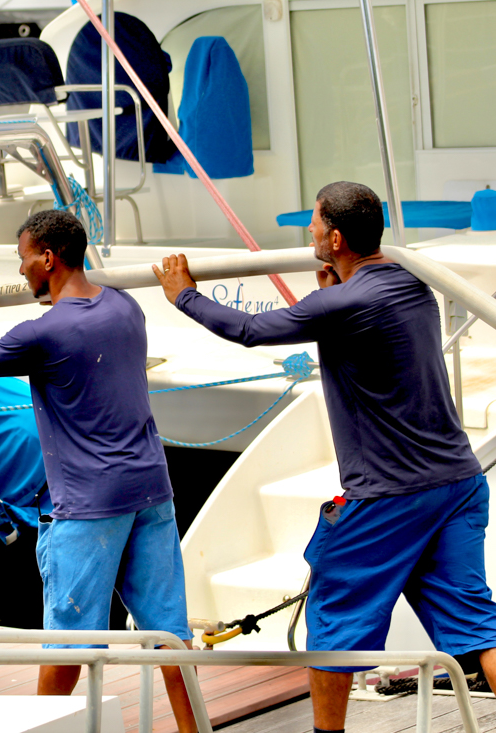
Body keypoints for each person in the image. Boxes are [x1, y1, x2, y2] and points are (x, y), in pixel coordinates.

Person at [152, 181, 496, 733]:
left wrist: (182, 295)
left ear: (335, 239)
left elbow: (248, 330)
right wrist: (336, 286)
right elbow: (366, 332)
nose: (309, 229)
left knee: (334, 620)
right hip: (458, 482)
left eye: (314, 223)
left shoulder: (342, 302)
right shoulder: (412, 283)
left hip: (389, 497)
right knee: (477, 628)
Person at [0, 209, 201, 733]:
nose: (21, 269)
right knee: (169, 634)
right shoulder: (126, 307)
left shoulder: (44, 332)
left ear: (47, 258)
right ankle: (193, 731)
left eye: (24, 258)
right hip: (151, 489)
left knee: (70, 643)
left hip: (89, 506)